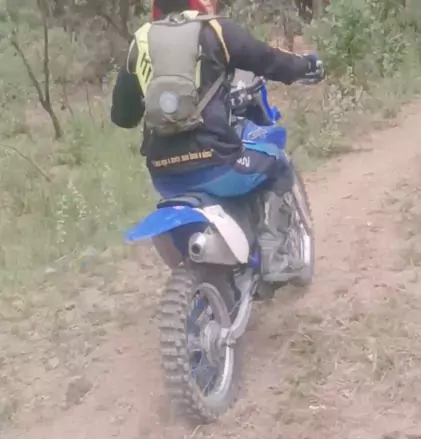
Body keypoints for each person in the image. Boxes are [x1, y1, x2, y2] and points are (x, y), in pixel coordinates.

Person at [111, 0, 324, 282]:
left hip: (164, 175)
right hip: (218, 163)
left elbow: (123, 117)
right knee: (276, 161)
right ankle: (275, 256)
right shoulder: (215, 31)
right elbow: (269, 60)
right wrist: (306, 65)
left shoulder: (141, 41)